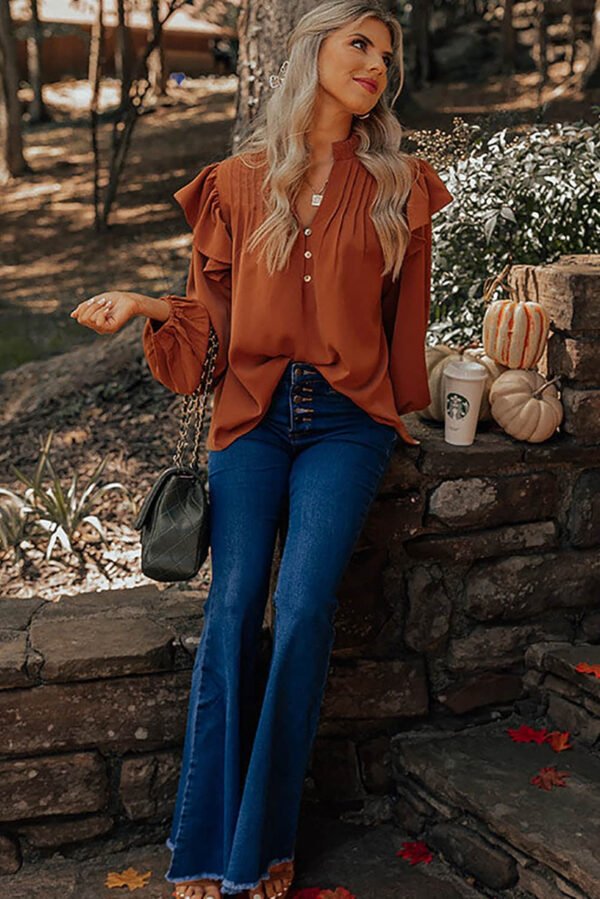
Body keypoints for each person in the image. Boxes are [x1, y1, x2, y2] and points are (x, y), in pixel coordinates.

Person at [70, 1, 454, 897]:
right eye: (359, 45)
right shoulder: (238, 183)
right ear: (313, 49)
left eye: (386, 54)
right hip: (253, 416)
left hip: (347, 425)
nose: (376, 67)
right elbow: (213, 321)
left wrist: (403, 408)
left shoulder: (401, 183)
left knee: (308, 607)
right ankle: (202, 849)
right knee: (235, 607)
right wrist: (151, 306)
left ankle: (266, 843)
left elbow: (408, 321)